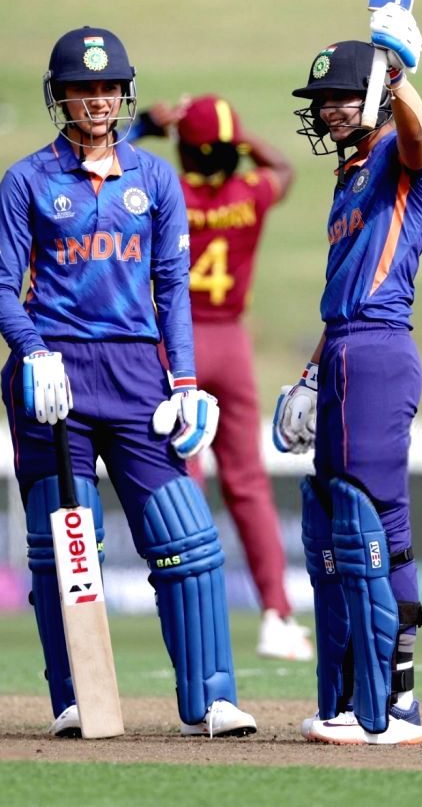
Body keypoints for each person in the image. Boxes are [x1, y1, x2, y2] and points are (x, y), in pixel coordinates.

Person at [0, 26, 257, 740]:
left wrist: (185, 381)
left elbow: (172, 286)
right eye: (84, 88)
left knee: (187, 537)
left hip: (137, 374)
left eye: (108, 88)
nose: (98, 100)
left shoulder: (154, 178)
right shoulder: (27, 180)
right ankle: (78, 699)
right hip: (56, 378)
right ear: (61, 96)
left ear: (123, 94)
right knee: (67, 544)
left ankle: (212, 699)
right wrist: (33, 351)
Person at [273, 3, 422, 745]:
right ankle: (347, 697)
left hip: (377, 352)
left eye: (342, 97)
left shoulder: (399, 159)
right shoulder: (347, 179)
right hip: (341, 349)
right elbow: (341, 289)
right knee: (336, 523)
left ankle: (398, 704)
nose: (329, 111)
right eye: (323, 102)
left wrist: (396, 76)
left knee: (378, 520)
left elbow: (420, 134)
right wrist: (310, 375)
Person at [132, 94, 313, 660]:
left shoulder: (165, 192)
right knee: (248, 484)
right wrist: (239, 138)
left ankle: (196, 613)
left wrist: (145, 126)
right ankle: (277, 616)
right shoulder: (250, 193)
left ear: (184, 152)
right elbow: (284, 169)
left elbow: (106, 170)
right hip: (232, 344)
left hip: (174, 344)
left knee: (184, 480)